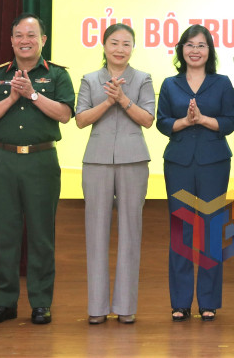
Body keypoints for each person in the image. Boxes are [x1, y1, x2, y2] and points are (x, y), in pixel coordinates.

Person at [0, 13, 75, 325]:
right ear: (11, 40)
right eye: (19, 35)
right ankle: (4, 303)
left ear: (43, 40)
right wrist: (12, 97)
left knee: (41, 235)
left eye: (32, 35)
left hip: (41, 161)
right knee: (6, 234)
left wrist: (32, 93)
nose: (25, 40)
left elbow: (64, 114)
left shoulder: (56, 75)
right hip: (3, 160)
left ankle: (41, 303)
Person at [74, 23, 155, 325]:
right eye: (114, 43)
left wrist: (123, 99)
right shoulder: (90, 79)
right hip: (96, 160)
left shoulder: (143, 79)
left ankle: (125, 307)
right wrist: (108, 101)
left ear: (132, 48)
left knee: (131, 231)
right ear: (104, 45)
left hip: (134, 160)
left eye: (126, 43)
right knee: (95, 232)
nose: (120, 49)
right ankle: (96, 306)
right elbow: (81, 119)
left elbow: (147, 119)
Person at [156, 25, 234, 322]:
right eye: (189, 45)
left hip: (214, 162)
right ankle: (179, 302)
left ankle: (208, 302)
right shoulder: (170, 84)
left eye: (201, 45)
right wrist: (185, 122)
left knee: (211, 231)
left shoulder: (222, 83)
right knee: (181, 232)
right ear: (181, 50)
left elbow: (229, 122)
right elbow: (162, 123)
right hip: (178, 163)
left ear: (209, 51)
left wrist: (202, 119)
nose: (195, 50)